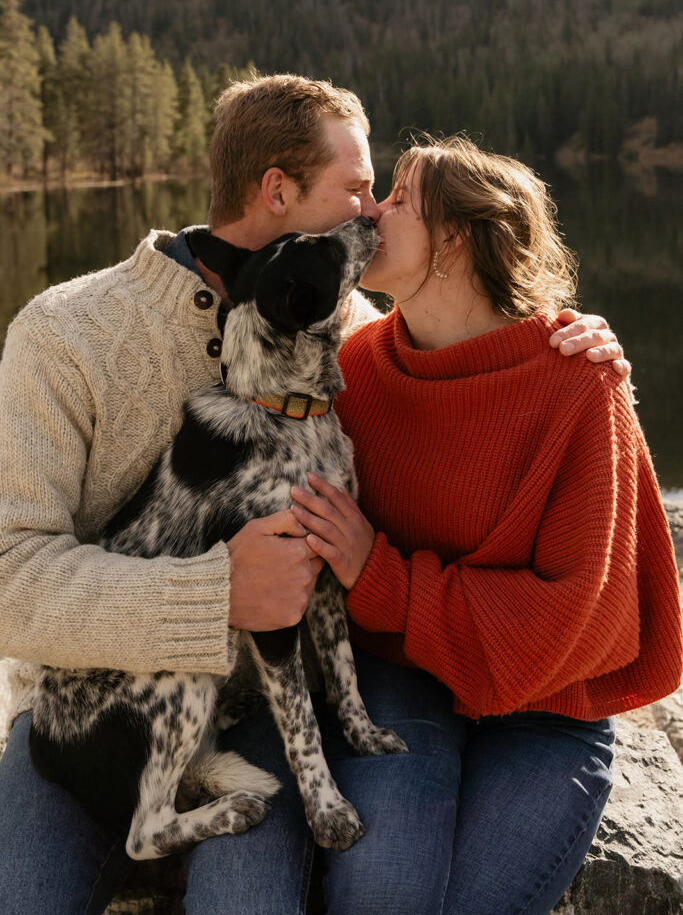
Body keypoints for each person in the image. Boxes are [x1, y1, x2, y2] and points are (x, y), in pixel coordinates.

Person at [0, 75, 633, 915]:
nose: (371, 211)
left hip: (269, 706)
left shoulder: (356, 331)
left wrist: (572, 336)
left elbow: (470, 336)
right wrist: (212, 593)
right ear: (277, 192)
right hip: (95, 715)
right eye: (359, 188)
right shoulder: (64, 332)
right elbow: (11, 575)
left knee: (249, 903)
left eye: (382, 194)